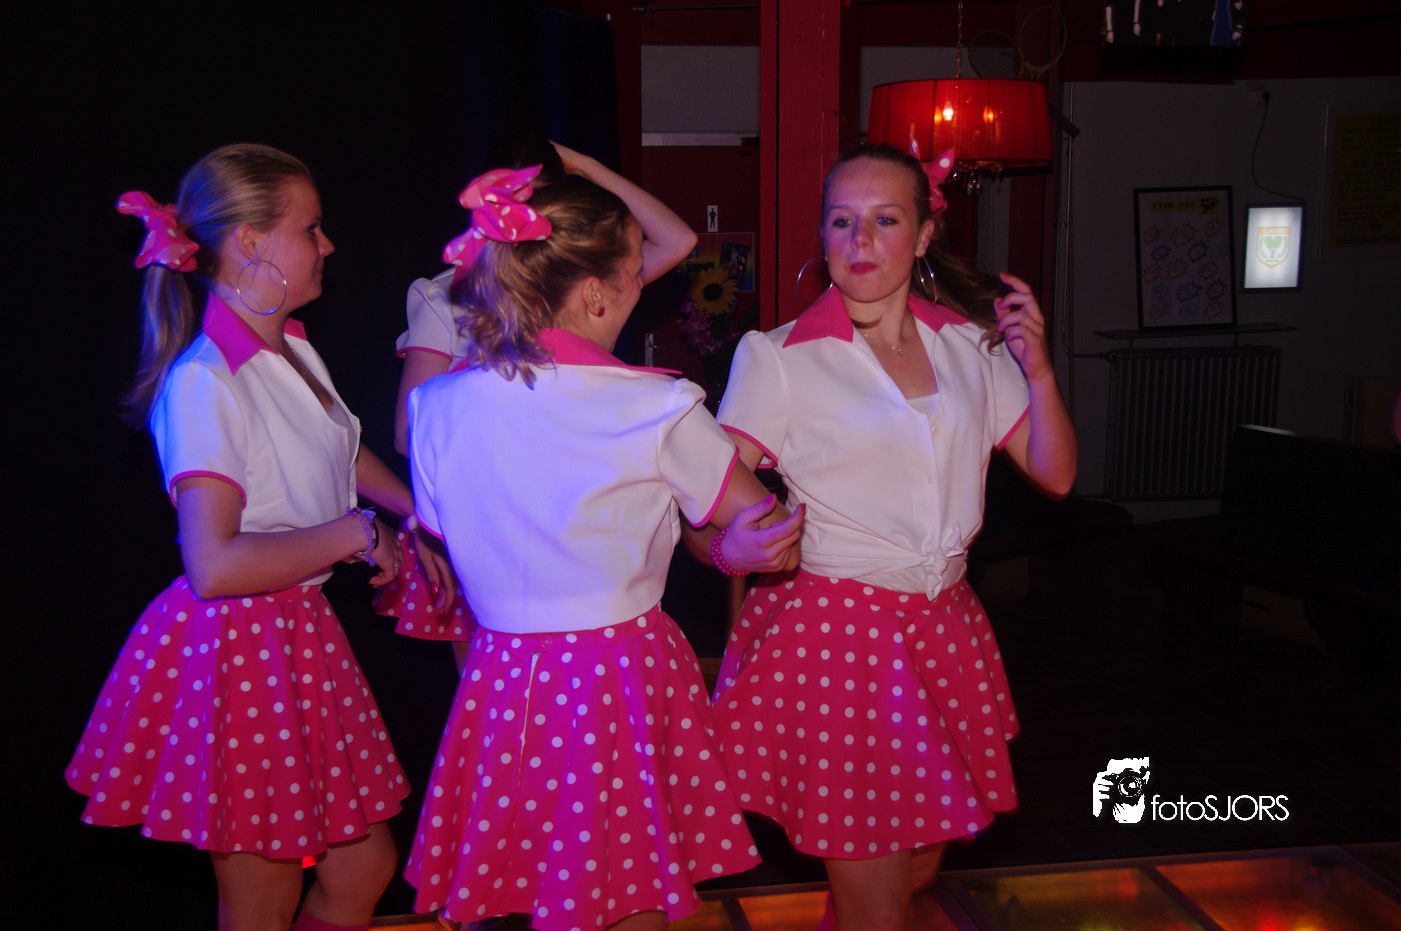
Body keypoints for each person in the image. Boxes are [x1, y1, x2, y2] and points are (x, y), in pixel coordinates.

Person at [403, 165, 805, 931]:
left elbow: (446, 529)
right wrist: (736, 551)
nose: (637, 291)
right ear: (594, 293)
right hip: (615, 676)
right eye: (633, 277)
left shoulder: (435, 404)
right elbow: (764, 527)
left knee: (527, 892)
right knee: (627, 896)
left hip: (499, 678)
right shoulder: (655, 404)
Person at [67, 144, 447, 931]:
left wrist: (423, 517)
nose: (327, 244)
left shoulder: (289, 348)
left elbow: (341, 453)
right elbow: (213, 564)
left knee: (363, 866)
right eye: (310, 228)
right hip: (237, 648)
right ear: (249, 242)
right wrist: (355, 532)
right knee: (262, 901)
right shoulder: (205, 380)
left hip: (294, 632)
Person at [703, 144, 1077, 931]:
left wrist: (1038, 371)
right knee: (876, 905)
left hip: (943, 626)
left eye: (885, 219)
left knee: (913, 871)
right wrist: (730, 547)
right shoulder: (779, 357)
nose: (861, 240)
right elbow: (702, 500)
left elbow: (1055, 474)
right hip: (839, 639)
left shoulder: (969, 346)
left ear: (924, 232)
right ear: (823, 235)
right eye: (842, 222)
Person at [383, 138, 696, 656]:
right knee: (500, 671)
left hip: (579, 509)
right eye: (520, 203)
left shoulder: (583, 280)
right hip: (497, 514)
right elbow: (407, 431)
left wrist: (587, 165)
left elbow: (679, 240)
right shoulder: (446, 294)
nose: (536, 217)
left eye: (549, 202)